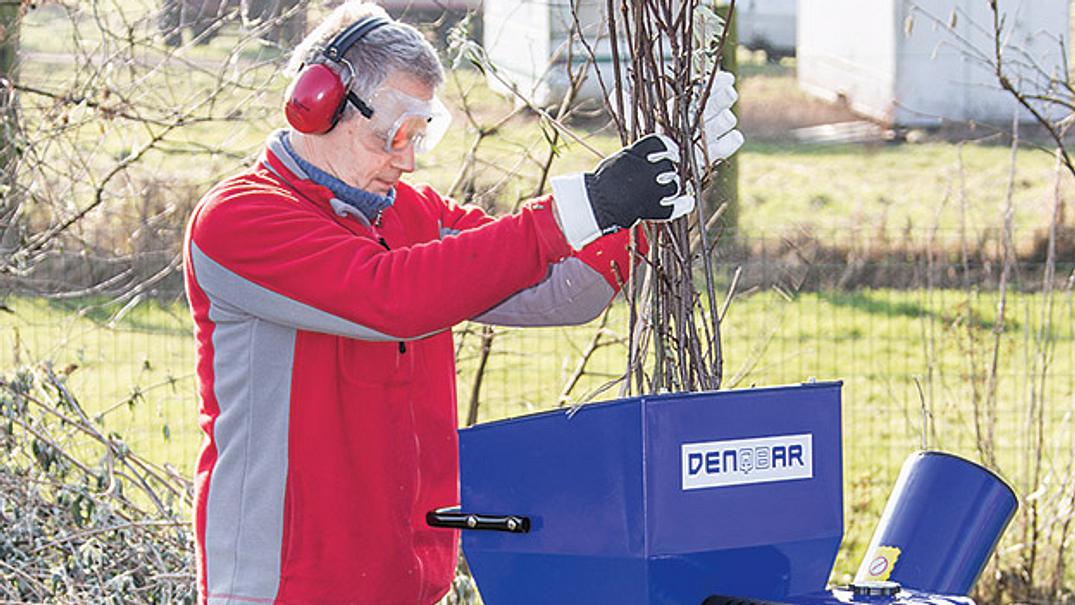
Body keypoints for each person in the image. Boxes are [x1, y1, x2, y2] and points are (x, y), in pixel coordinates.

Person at [182, 2, 743, 603]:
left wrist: (641, 201)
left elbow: (561, 290)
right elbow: (390, 296)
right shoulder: (241, 221)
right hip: (284, 588)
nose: (408, 158)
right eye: (394, 133)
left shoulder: (411, 214)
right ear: (318, 105)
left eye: (420, 133)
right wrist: (578, 210)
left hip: (406, 582)